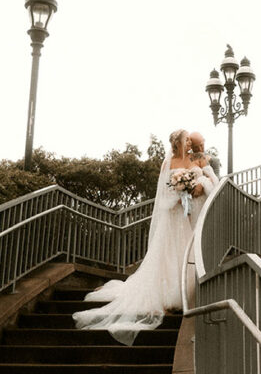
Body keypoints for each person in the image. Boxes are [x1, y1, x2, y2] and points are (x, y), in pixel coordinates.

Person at [73, 129, 218, 344]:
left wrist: (193, 187)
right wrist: (179, 196)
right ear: (177, 142)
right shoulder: (167, 164)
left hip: (186, 217)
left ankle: (183, 292)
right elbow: (163, 194)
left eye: (191, 140)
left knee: (184, 252)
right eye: (186, 140)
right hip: (172, 215)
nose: (189, 143)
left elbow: (211, 182)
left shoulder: (195, 160)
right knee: (168, 254)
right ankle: (168, 295)